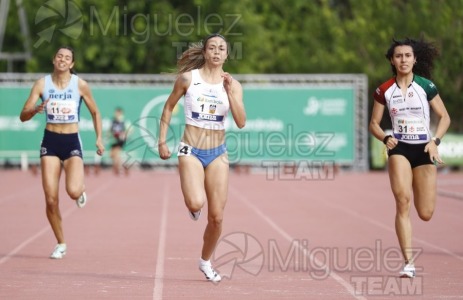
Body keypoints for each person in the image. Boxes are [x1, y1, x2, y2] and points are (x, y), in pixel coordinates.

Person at [158, 33, 246, 282]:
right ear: (205, 52)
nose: (217, 52)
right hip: (191, 150)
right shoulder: (188, 79)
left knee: (217, 217)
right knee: (196, 203)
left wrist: (229, 93)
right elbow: (168, 107)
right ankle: (192, 205)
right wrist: (162, 140)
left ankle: (205, 261)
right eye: (212, 48)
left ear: (227, 55)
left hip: (218, 153)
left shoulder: (233, 84)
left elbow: (240, 122)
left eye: (222, 49)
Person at [369, 38, 451, 278]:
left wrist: (435, 142)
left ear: (415, 59)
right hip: (399, 149)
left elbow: (444, 117)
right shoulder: (383, 90)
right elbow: (374, 124)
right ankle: (409, 263)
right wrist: (385, 139)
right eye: (398, 56)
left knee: (425, 213)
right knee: (402, 200)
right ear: (392, 61)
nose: (403, 60)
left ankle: (420, 189)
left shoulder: (427, 87)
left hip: (424, 150)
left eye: (407, 55)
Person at [19, 46, 105, 259]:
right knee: (50, 199)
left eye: (67, 58)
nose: (63, 60)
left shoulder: (80, 85)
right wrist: (35, 110)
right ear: (53, 60)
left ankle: (81, 190)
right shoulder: (42, 84)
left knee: (73, 192)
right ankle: (61, 243)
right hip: (50, 141)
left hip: (71, 141)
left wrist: (99, 138)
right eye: (60, 56)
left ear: (72, 64)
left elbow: (95, 112)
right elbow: (23, 115)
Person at [109, 107, 131, 175]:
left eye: (117, 112)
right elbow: (110, 130)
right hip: (114, 140)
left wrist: (124, 135)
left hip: (120, 140)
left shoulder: (123, 121)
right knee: (112, 155)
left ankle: (118, 168)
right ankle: (124, 165)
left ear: (120, 113)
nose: (115, 114)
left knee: (116, 154)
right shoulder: (113, 121)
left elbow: (129, 129)